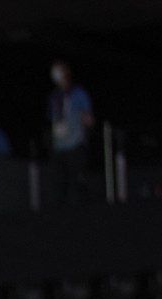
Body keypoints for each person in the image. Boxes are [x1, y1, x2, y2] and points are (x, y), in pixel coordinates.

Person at [47, 60, 96, 205]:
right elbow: (52, 120)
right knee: (60, 184)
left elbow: (88, 118)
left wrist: (86, 123)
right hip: (59, 146)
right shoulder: (54, 97)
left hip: (75, 144)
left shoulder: (78, 93)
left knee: (77, 182)